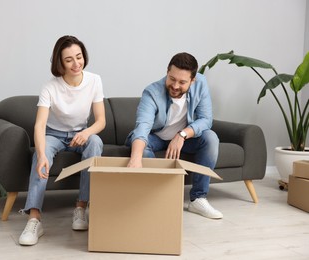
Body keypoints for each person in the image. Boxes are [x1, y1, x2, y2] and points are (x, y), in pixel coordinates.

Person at [19, 35, 106, 246]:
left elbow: (101, 120)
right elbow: (39, 125)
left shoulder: (94, 80)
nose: (76, 64)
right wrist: (41, 155)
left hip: (80, 134)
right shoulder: (50, 86)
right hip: (54, 134)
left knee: (95, 142)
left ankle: (80, 208)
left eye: (79, 57)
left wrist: (86, 133)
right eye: (69, 60)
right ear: (60, 62)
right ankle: (34, 219)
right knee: (41, 155)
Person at [125, 52, 223, 220]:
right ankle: (154, 198)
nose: (175, 85)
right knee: (143, 148)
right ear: (167, 71)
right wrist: (135, 158)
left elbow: (206, 120)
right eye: (172, 78)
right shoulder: (152, 92)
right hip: (155, 137)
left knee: (210, 138)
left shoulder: (201, 84)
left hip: (183, 139)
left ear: (193, 81)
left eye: (182, 82)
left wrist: (182, 135)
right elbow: (143, 127)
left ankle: (198, 199)